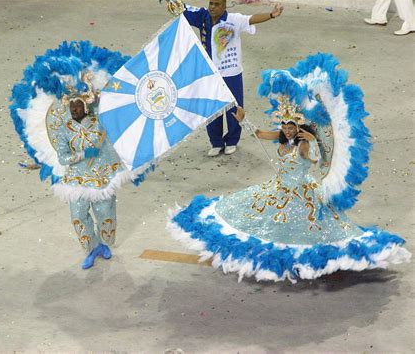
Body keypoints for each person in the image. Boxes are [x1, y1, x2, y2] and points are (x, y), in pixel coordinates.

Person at [167, 53, 411, 282]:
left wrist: (313, 143)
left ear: (298, 125)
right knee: (250, 217)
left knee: (301, 235)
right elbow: (260, 134)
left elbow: (315, 161)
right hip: (277, 189)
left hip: (301, 195)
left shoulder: (304, 144)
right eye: (283, 125)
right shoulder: (282, 136)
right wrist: (244, 121)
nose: (286, 129)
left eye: (290, 125)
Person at [165, 0, 284, 156]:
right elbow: (182, 8)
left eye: (217, 4)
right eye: (211, 3)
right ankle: (216, 142)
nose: (212, 7)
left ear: (224, 5)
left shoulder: (234, 19)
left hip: (231, 73)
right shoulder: (202, 16)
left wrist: (271, 15)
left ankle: (232, 141)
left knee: (234, 108)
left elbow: (252, 18)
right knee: (212, 108)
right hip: (209, 73)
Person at [52, 88, 121, 270]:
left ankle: (104, 244)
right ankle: (92, 248)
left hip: (101, 178)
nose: (74, 110)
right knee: (78, 217)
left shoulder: (99, 123)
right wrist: (83, 154)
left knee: (105, 213)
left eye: (78, 106)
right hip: (76, 181)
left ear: (85, 107)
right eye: (72, 107)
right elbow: (62, 158)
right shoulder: (64, 130)